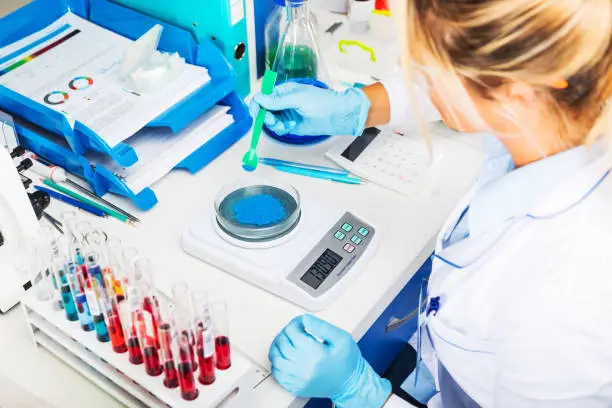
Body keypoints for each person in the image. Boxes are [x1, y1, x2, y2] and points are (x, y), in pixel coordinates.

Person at [250, 0, 612, 407]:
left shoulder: (565, 301)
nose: (418, 80)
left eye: (428, 66)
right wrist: (356, 107)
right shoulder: (554, 115)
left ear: (517, 91)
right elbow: (454, 81)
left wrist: (364, 395)